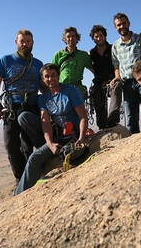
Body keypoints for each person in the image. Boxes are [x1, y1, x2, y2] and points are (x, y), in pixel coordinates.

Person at [15, 63, 88, 195]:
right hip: (57, 136)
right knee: (34, 159)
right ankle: (18, 196)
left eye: (53, 75)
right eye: (47, 77)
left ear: (58, 75)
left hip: (74, 135)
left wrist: (82, 138)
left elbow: (83, 116)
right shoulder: (43, 98)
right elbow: (45, 122)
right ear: (43, 80)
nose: (50, 79)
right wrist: (50, 144)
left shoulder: (70, 91)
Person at [0, 29, 46, 183]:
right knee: (11, 144)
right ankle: (20, 179)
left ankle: (30, 177)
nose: (25, 44)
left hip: (32, 107)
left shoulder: (38, 64)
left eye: (28, 41)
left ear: (32, 43)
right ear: (16, 42)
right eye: (22, 41)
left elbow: (43, 87)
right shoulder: (5, 60)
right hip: (11, 108)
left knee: (28, 146)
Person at [111, 12, 141, 134]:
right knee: (130, 116)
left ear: (129, 23)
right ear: (115, 27)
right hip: (127, 84)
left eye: (123, 23)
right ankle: (133, 141)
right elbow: (116, 65)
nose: (122, 27)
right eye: (118, 25)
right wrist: (117, 77)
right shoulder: (115, 46)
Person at [52, 26, 94, 99]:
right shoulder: (58, 55)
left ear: (77, 38)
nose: (71, 38)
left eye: (73, 36)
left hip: (78, 90)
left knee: (79, 110)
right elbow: (51, 74)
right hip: (62, 90)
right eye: (68, 36)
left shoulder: (83, 55)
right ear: (64, 39)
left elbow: (93, 70)